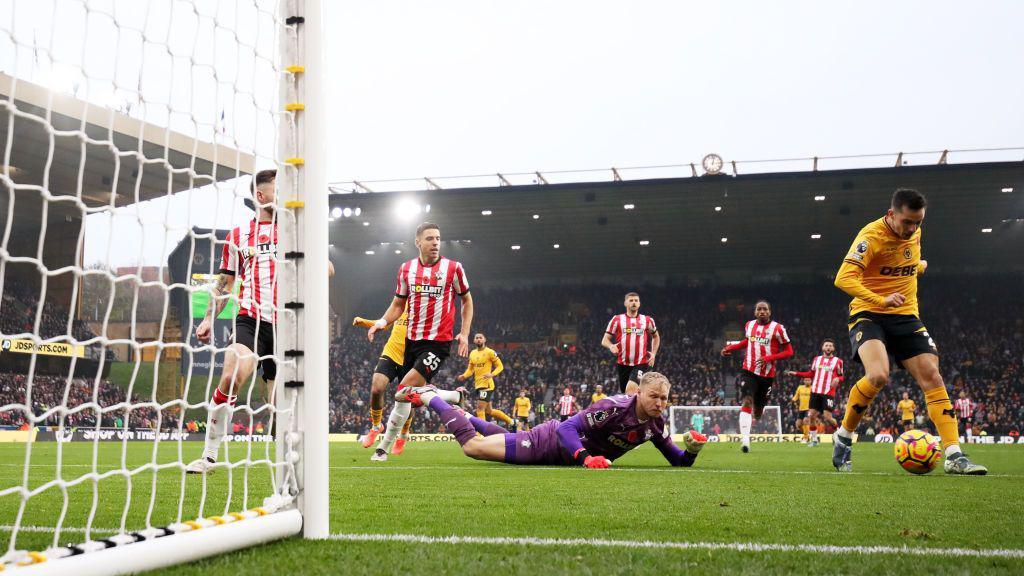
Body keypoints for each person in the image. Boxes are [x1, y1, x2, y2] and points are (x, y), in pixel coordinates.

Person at [188, 170, 334, 474]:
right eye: (278, 190)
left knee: (279, 404)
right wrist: (206, 319)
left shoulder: (295, 232)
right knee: (231, 375)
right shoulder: (238, 236)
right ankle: (210, 455)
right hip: (251, 318)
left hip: (287, 325)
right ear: (261, 196)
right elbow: (224, 284)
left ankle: (285, 457)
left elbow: (329, 270)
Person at [831, 188, 985, 474]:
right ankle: (843, 437)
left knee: (932, 376)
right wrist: (880, 299)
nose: (913, 228)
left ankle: (953, 455)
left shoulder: (914, 233)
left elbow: (906, 261)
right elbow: (843, 278)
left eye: (918, 223)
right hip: (869, 312)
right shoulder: (871, 236)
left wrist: (918, 266)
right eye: (907, 222)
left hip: (905, 315)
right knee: (877, 375)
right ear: (892, 214)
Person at [397, 372, 707, 468]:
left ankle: (459, 409)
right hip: (549, 442)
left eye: (664, 398)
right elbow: (568, 427)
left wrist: (691, 451)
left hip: (560, 451)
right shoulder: (612, 407)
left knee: (502, 435)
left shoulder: (655, 426)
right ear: (639, 393)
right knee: (473, 448)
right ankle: (431, 397)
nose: (660, 403)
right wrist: (586, 458)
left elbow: (678, 463)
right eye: (654, 396)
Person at [367, 222, 472, 462]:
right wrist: (382, 322)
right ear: (418, 242)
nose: (435, 242)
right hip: (411, 342)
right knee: (408, 396)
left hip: (438, 343)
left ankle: (383, 448)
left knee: (403, 390)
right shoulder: (406, 270)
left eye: (438, 238)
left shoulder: (453, 268)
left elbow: (467, 300)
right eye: (430, 239)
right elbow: (398, 304)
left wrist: (464, 333)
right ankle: (454, 397)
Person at [353, 307, 442, 455]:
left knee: (408, 400)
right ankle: (376, 426)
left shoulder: (427, 309)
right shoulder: (401, 305)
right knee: (376, 388)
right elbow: (385, 323)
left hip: (411, 359)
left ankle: (403, 436)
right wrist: (364, 322)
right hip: (391, 353)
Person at [720, 300, 793, 453]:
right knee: (747, 401)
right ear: (755, 312)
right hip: (749, 370)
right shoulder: (749, 325)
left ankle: (756, 414)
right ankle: (745, 441)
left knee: (758, 412)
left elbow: (789, 351)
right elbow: (748, 341)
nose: (761, 312)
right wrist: (731, 347)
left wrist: (769, 358)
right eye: (759, 309)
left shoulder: (778, 329)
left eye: (764, 309)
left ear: (769, 312)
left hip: (767, 375)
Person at [785, 338, 844, 446]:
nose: (828, 347)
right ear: (822, 348)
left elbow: (841, 376)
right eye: (826, 345)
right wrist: (796, 373)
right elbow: (810, 374)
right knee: (811, 416)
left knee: (828, 417)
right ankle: (814, 439)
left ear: (833, 348)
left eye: (830, 346)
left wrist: (837, 379)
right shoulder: (816, 359)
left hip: (828, 393)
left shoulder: (838, 361)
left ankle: (838, 434)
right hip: (815, 391)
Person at [601, 292, 660, 395]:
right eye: (631, 300)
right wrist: (611, 346)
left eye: (636, 301)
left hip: (640, 363)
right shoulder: (617, 320)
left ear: (639, 303)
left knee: (631, 391)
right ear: (625, 303)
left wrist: (654, 353)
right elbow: (605, 340)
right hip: (622, 364)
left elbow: (656, 337)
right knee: (627, 395)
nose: (634, 303)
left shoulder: (647, 320)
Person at [457, 333, 513, 426]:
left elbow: (500, 366)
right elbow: (470, 369)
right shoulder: (472, 353)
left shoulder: (490, 352)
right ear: (474, 340)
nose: (478, 339)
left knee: (480, 409)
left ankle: (481, 433)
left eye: (480, 338)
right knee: (489, 411)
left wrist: (492, 374)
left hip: (487, 385)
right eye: (477, 338)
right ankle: (511, 421)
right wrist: (464, 376)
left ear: (484, 340)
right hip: (478, 384)